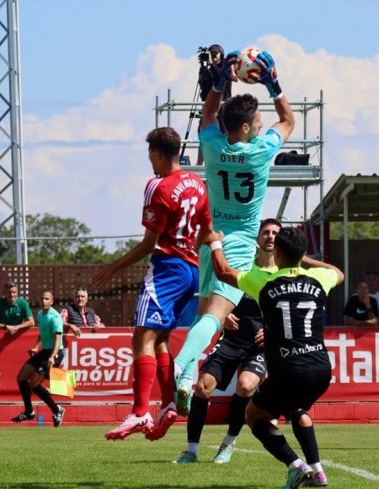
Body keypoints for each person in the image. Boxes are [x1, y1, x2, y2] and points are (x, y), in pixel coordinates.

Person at [173, 49, 295, 414]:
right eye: (257, 121)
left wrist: (222, 79)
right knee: (215, 315)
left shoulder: (210, 144)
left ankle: (183, 380)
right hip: (239, 242)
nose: (261, 124)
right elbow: (288, 121)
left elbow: (209, 114)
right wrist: (273, 84)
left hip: (210, 239)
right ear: (245, 128)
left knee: (202, 312)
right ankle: (179, 366)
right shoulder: (259, 151)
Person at [93, 127, 212, 441]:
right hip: (191, 270)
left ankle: (139, 411)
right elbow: (207, 229)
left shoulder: (157, 186)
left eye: (151, 157)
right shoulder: (197, 184)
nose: (151, 163)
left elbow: (150, 242)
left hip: (166, 269)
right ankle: (168, 404)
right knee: (160, 340)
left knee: (140, 339)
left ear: (158, 154)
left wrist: (113, 267)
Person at [209, 226, 344, 488]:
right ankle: (317, 471)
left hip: (289, 370)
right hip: (321, 369)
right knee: (297, 409)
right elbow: (338, 273)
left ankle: (296, 466)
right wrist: (304, 257)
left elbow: (222, 271)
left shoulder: (264, 282)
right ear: (302, 253)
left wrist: (215, 244)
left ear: (278, 252)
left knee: (254, 416)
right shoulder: (319, 278)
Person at [173, 218, 281, 465]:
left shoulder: (281, 276)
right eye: (266, 232)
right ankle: (190, 451)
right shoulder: (243, 266)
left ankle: (229, 444)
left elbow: (288, 313)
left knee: (246, 385)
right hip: (232, 337)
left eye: (276, 233)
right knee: (203, 386)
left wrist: (271, 330)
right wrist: (223, 315)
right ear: (257, 238)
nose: (270, 236)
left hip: (259, 344)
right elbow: (217, 294)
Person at [11, 291, 65, 427]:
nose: (43, 301)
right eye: (42, 298)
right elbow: (42, 335)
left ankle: (57, 410)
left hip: (55, 352)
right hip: (44, 351)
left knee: (33, 384)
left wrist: (53, 357)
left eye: (47, 299)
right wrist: (36, 347)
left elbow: (58, 339)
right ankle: (29, 412)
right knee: (21, 377)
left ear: (52, 301)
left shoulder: (55, 317)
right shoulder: (40, 315)